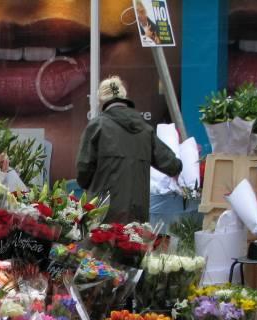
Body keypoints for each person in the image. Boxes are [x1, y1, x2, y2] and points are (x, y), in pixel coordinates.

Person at [76, 76, 182, 224]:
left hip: (101, 210)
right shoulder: (145, 130)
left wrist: (89, 187)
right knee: (132, 245)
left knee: (98, 246)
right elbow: (172, 165)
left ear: (101, 101)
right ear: (124, 97)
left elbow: (83, 170)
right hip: (136, 213)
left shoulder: (97, 126)